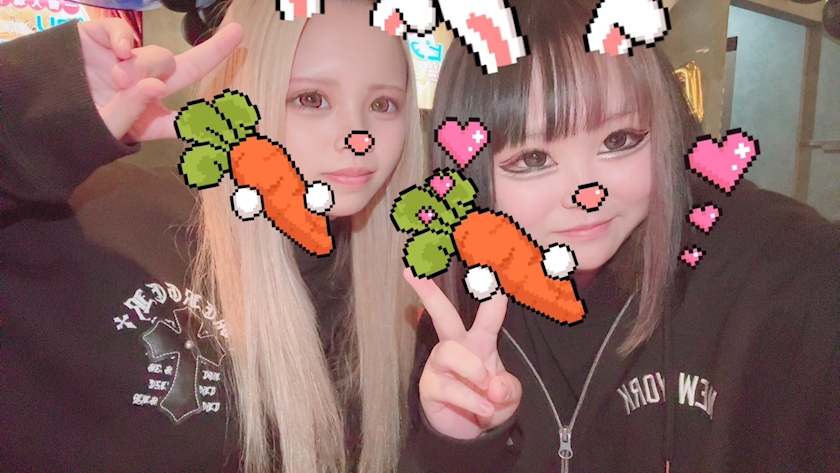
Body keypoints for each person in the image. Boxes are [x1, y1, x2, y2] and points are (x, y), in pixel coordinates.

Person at [397, 0, 840, 472]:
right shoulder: (462, 308)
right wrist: (458, 445)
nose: (587, 194)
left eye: (618, 140)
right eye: (532, 159)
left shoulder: (785, 269)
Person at [1, 0, 425, 471]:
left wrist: (459, 436)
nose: (359, 135)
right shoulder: (102, 222)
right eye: (311, 99)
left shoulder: (401, 298)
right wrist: (35, 103)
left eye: (383, 104)